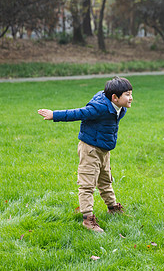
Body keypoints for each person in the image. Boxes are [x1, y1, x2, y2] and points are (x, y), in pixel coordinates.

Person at [37, 77, 133, 233]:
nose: (131, 98)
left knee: (105, 180)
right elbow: (78, 113)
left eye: (130, 93)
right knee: (87, 184)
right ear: (114, 97)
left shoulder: (121, 107)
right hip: (90, 149)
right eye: (127, 94)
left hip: (103, 149)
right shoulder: (100, 108)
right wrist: (54, 115)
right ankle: (88, 220)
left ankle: (113, 208)